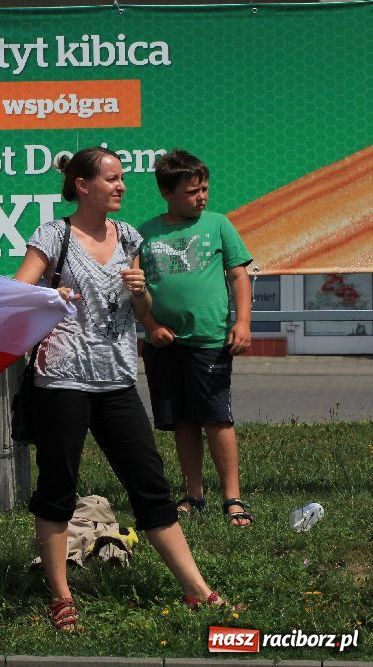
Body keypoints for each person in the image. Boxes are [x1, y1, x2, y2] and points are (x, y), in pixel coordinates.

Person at [13, 147, 222, 633]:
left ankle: (197, 590)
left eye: (122, 178)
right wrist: (52, 294)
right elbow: (19, 292)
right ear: (83, 186)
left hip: (117, 378)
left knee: (150, 485)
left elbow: (143, 309)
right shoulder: (54, 234)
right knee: (58, 489)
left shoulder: (128, 235)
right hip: (61, 380)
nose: (122, 186)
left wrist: (140, 289)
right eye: (111, 179)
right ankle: (61, 597)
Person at [137, 149, 254, 527]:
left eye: (204, 189)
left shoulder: (218, 225)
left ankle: (232, 498)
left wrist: (243, 323)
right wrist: (151, 326)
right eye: (192, 191)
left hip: (209, 341)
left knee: (216, 418)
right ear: (166, 192)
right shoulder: (144, 234)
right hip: (165, 344)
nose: (201, 197)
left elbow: (238, 276)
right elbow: (135, 289)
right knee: (183, 422)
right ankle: (193, 494)